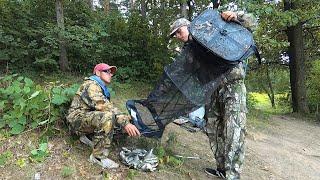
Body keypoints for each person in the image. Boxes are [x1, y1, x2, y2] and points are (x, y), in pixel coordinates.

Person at [169, 11, 255, 179]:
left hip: (233, 86)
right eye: (175, 35)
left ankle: (233, 175)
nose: (178, 36)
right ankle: (222, 169)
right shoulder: (190, 49)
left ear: (189, 26)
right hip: (212, 90)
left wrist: (236, 16)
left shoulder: (214, 27)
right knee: (214, 129)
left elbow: (252, 23)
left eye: (179, 31)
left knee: (234, 129)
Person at [66, 63, 140, 169]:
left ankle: (87, 137)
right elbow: (105, 107)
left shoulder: (100, 87)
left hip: (87, 118)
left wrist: (126, 119)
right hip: (76, 121)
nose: (110, 74)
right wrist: (125, 123)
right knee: (108, 117)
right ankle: (98, 157)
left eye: (111, 73)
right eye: (107, 71)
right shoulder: (91, 85)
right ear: (97, 73)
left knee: (116, 119)